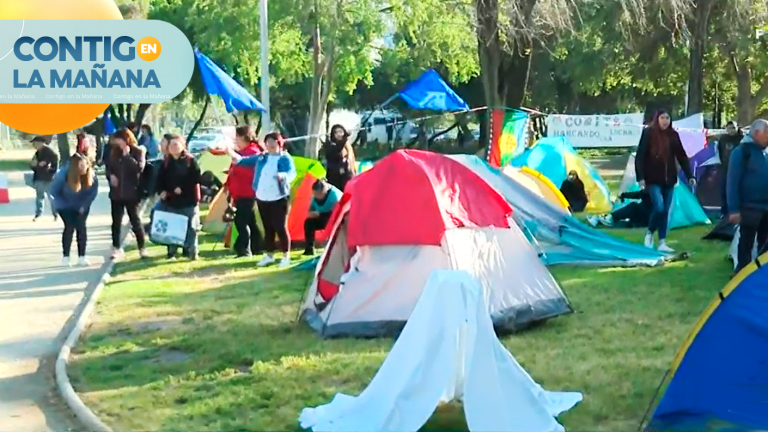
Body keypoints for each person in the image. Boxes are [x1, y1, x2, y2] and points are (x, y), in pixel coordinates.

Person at [229, 132, 296, 268]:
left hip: (279, 197)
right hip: (262, 197)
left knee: (280, 227)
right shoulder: (261, 157)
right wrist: (229, 151)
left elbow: (291, 173)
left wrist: (283, 176)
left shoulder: (284, 158)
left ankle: (286, 256)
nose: (271, 145)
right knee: (268, 227)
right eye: (268, 142)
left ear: (279, 144)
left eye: (274, 142)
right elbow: (242, 160)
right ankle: (269, 255)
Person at [635, 109, 695, 253]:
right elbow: (640, 156)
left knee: (665, 211)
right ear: (657, 119)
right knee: (659, 207)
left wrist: (690, 175)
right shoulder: (648, 133)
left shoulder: (673, 135)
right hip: (652, 179)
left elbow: (681, 156)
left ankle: (662, 241)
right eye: (662, 117)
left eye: (667, 118)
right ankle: (649, 233)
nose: (665, 121)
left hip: (669, 179)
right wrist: (641, 178)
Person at [727, 119, 768, 273]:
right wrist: (733, 210)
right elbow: (732, 182)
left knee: (765, 247)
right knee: (746, 245)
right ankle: (741, 277)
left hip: (766, 207)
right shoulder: (741, 152)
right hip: (749, 208)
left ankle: (761, 277)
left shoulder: (766, 152)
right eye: (767, 132)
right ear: (756, 133)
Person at [155, 135, 202, 260]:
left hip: (189, 199)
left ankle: (192, 252)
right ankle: (172, 253)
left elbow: (196, 177)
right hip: (172, 200)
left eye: (176, 145)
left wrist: (182, 187)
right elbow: (160, 179)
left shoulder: (190, 161)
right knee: (173, 226)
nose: (174, 148)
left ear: (183, 146)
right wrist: (162, 191)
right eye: (171, 145)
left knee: (191, 227)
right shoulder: (166, 162)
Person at [49, 153, 99, 267]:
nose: (84, 168)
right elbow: (53, 192)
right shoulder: (63, 174)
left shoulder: (91, 174)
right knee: (69, 227)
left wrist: (84, 205)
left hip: (82, 205)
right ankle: (66, 257)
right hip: (64, 205)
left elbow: (92, 192)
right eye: (81, 166)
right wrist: (63, 205)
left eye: (85, 165)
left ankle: (82, 257)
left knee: (81, 227)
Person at [106, 129, 148, 260]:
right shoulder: (114, 152)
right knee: (116, 222)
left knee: (135, 220)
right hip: (117, 193)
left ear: (126, 139)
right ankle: (116, 248)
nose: (117, 142)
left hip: (132, 192)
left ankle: (142, 248)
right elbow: (109, 168)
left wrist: (127, 156)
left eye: (119, 139)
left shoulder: (138, 151)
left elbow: (139, 169)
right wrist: (110, 176)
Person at [227, 125, 264, 258]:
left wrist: (236, 168)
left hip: (247, 192)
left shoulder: (252, 152)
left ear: (244, 137)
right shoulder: (243, 152)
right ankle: (258, 246)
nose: (235, 141)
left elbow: (248, 171)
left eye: (236, 137)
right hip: (240, 192)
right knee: (250, 221)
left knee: (241, 221)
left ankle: (244, 249)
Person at [303, 179, 342, 255]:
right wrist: (312, 214)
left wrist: (321, 214)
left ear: (324, 191)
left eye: (318, 194)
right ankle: (309, 249)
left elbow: (337, 211)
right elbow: (310, 210)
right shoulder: (314, 197)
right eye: (315, 194)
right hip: (321, 215)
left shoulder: (334, 195)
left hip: (336, 217)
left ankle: (331, 246)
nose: (317, 197)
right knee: (308, 223)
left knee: (327, 220)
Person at [29, 136, 59, 222]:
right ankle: (38, 214)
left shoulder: (50, 152)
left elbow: (55, 162)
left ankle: (55, 213)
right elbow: (33, 165)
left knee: (51, 197)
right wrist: (34, 165)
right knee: (39, 197)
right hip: (39, 177)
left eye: (35, 143)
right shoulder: (37, 153)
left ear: (40, 143)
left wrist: (51, 170)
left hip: (49, 178)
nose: (34, 145)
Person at [718, 121, 744, 216]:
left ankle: (738, 210)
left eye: (733, 127)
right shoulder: (723, 139)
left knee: (738, 190)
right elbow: (720, 152)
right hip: (726, 168)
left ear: (737, 127)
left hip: (739, 169)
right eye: (729, 128)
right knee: (724, 189)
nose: (731, 130)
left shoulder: (742, 139)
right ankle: (724, 212)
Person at [322, 124, 357, 192]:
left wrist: (349, 161)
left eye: (341, 132)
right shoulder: (331, 147)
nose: (339, 134)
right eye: (336, 132)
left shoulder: (346, 147)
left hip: (346, 179)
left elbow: (350, 153)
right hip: (334, 179)